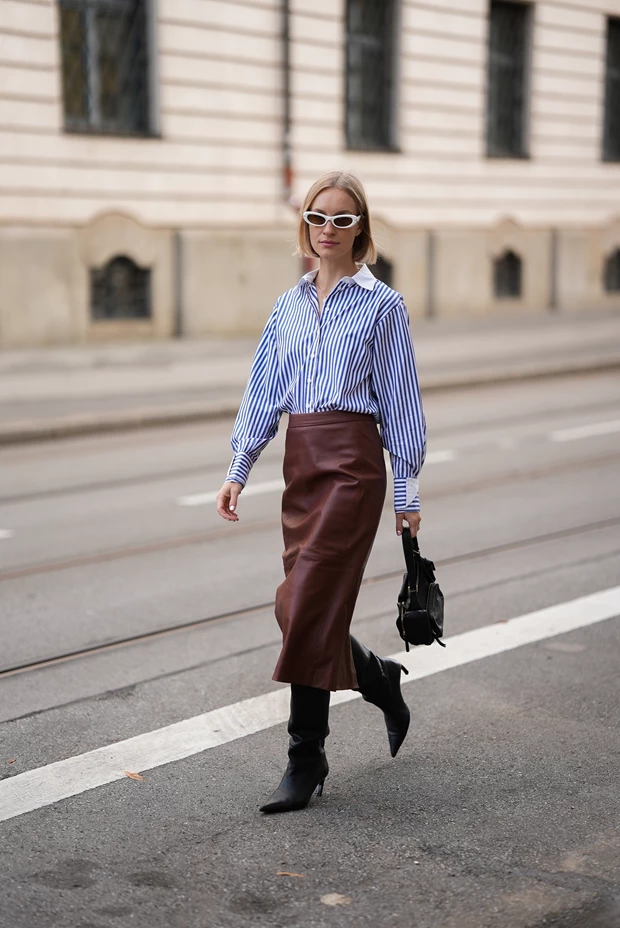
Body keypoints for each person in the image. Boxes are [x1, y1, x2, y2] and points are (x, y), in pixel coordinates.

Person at [216, 171, 426, 814]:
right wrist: (238, 465)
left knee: (304, 604)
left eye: (341, 218)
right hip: (302, 467)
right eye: (317, 216)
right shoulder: (288, 306)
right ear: (303, 224)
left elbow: (400, 400)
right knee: (298, 608)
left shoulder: (383, 305)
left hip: (355, 470)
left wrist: (407, 491)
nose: (327, 229)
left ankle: (305, 759)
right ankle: (379, 679)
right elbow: (264, 390)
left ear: (360, 228)